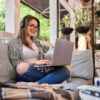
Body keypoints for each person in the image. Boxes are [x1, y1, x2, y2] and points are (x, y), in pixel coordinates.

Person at [8, 15, 72, 84]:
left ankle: (37, 84)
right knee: (21, 66)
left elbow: (41, 59)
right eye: (31, 25)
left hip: (40, 71)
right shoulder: (14, 42)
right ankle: (52, 79)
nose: (34, 28)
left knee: (68, 68)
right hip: (28, 71)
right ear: (23, 25)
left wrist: (49, 63)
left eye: (36, 27)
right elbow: (15, 62)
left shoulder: (37, 43)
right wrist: (35, 62)